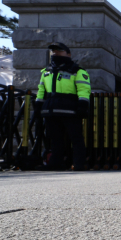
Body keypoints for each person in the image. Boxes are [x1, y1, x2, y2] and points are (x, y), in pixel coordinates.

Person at [35, 42, 90, 170]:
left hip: (70, 110)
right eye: (53, 51)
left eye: (59, 50)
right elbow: (41, 90)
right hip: (51, 110)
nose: (55, 53)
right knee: (55, 139)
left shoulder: (77, 71)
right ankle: (55, 163)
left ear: (68, 54)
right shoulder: (46, 72)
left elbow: (84, 89)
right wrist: (38, 106)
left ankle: (79, 164)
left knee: (75, 138)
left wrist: (83, 106)